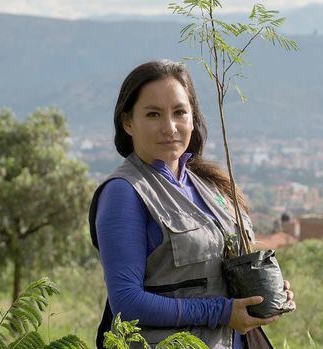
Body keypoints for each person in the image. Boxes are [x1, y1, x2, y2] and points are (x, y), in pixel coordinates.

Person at [88, 60, 295, 349]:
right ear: (127, 122)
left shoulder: (209, 186)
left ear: (193, 117)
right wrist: (222, 312)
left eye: (179, 112)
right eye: (153, 114)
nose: (169, 127)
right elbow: (127, 303)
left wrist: (266, 289)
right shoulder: (124, 193)